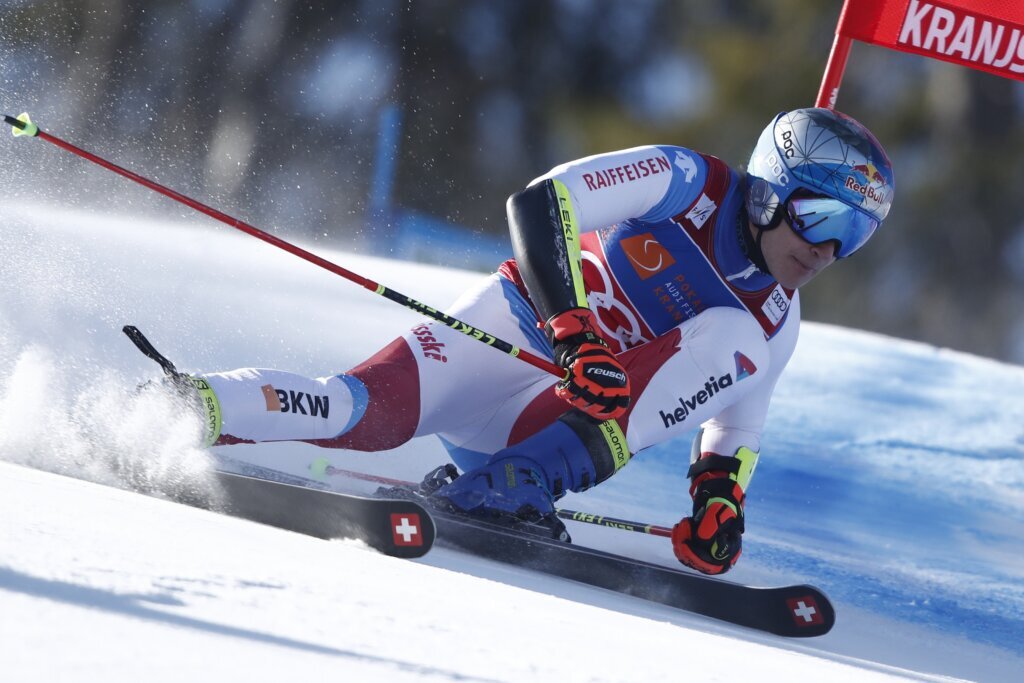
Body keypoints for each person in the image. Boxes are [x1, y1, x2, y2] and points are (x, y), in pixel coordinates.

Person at [180, 107, 894, 575]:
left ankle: (521, 483)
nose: (829, 250)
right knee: (355, 411)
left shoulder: (776, 318)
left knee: (743, 341)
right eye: (822, 217)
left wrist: (719, 499)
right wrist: (574, 333)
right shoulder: (685, 182)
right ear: (772, 189)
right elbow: (544, 200)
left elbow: (736, 423)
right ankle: (193, 403)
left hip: (546, 430)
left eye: (854, 236)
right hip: (510, 333)